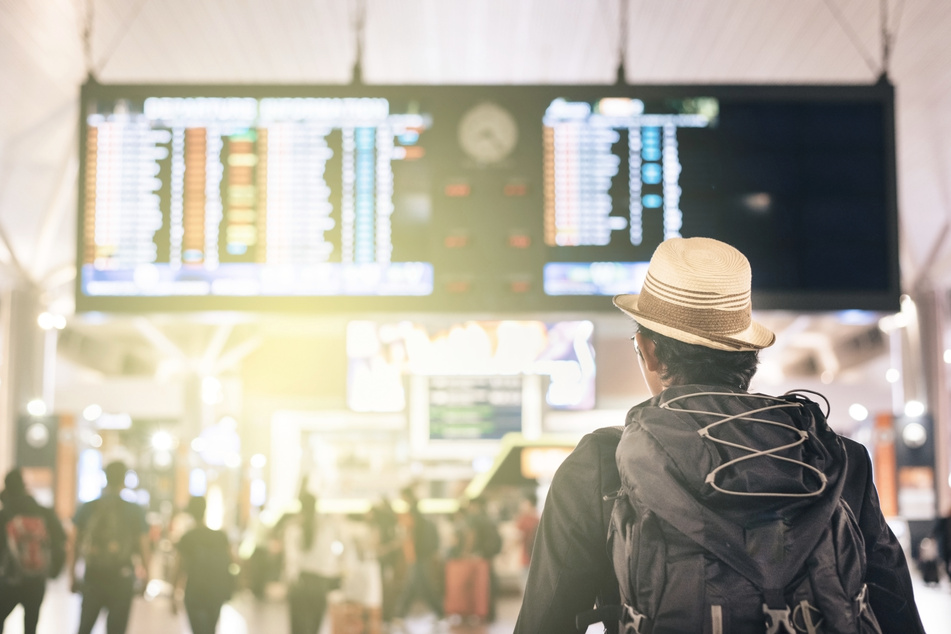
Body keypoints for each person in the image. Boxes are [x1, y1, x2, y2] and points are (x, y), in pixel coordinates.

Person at [515, 237, 925, 634]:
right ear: (750, 357)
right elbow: (896, 612)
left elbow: (545, 619)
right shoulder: (837, 459)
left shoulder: (602, 464)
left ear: (648, 350)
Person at [69, 460, 151, 634]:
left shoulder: (88, 507)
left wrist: (72, 575)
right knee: (116, 630)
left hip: (93, 575)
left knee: (84, 628)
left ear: (105, 477)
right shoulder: (134, 510)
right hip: (122, 577)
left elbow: (74, 542)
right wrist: (146, 576)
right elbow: (144, 545)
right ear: (124, 479)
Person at [0, 468, 67, 634]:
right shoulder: (42, 511)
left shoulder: (5, 514)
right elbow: (61, 538)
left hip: (10, 579)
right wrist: (54, 571)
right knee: (31, 625)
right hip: (37, 580)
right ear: (24, 486)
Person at [283, 489, 349, 634]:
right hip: (321, 582)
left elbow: (291, 559)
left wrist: (290, 580)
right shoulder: (327, 526)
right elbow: (339, 550)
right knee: (314, 626)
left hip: (301, 581)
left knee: (298, 627)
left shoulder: (295, 527)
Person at [174, 496, 234, 634]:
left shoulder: (187, 537)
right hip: (216, 590)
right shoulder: (220, 536)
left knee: (198, 630)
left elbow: (178, 567)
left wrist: (174, 593)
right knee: (211, 629)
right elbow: (233, 560)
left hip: (194, 591)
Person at [393, 487, 443, 624]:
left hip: (416, 555)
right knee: (415, 585)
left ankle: (400, 615)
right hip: (417, 555)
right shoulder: (417, 511)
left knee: (420, 585)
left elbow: (407, 534)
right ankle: (400, 615)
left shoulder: (411, 513)